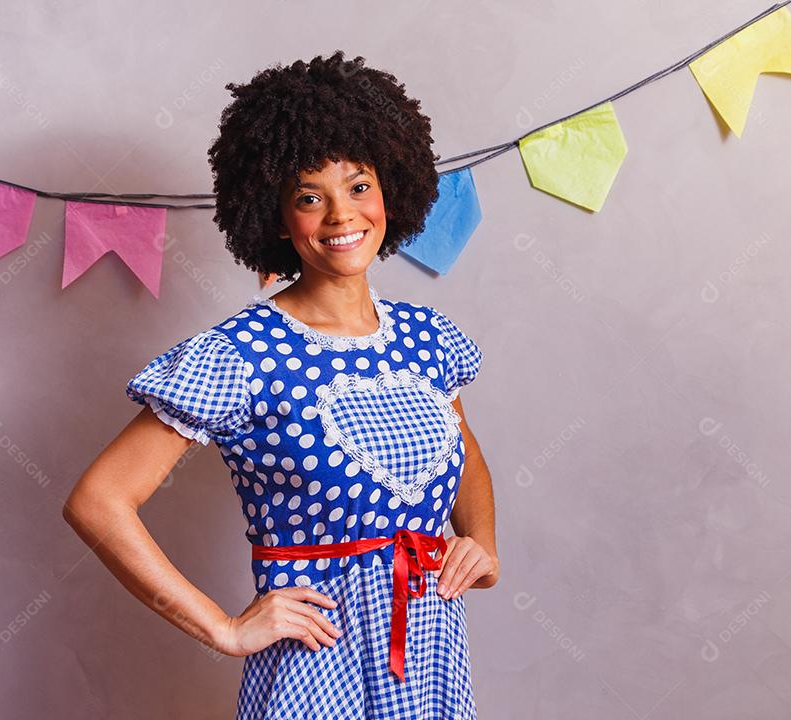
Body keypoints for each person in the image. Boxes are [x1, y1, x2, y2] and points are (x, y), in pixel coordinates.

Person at [63, 50, 498, 720]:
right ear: (273, 212)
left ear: (392, 189)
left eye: (358, 186)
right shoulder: (241, 354)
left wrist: (481, 543)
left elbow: (460, 445)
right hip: (314, 670)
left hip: (430, 662)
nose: (340, 216)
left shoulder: (426, 336)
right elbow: (98, 502)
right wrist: (223, 627)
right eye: (308, 197)